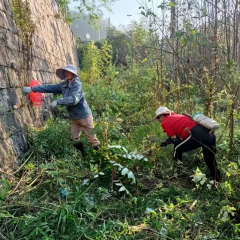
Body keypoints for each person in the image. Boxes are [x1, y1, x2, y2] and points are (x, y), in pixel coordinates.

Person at [22, 64, 101, 157]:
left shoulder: (77, 85)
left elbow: (74, 99)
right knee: (74, 139)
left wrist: (58, 101)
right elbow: (49, 87)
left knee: (93, 140)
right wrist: (32, 89)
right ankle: (82, 157)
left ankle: (101, 158)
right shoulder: (63, 85)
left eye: (68, 72)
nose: (66, 73)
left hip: (84, 117)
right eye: (65, 72)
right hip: (74, 118)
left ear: (73, 74)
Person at [152, 106, 221, 181]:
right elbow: (179, 134)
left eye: (158, 117)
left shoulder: (165, 122)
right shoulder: (177, 117)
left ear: (162, 115)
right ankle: (217, 180)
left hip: (196, 134)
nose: (159, 120)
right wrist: (167, 141)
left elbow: (176, 140)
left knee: (177, 148)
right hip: (210, 134)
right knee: (210, 160)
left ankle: (176, 175)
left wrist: (169, 141)